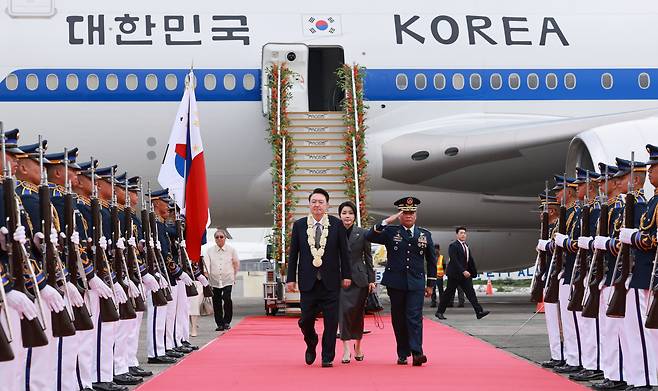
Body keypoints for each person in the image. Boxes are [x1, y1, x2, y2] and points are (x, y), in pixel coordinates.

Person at [366, 196, 436, 366]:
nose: (408, 216)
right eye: (405, 212)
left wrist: (430, 285)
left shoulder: (425, 235)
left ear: (416, 215)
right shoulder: (391, 232)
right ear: (400, 214)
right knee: (399, 319)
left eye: (412, 213)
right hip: (396, 282)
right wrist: (387, 221)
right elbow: (370, 236)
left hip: (416, 283)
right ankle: (402, 353)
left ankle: (417, 352)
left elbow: (431, 261)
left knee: (414, 317)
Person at [286, 188, 351, 368]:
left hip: (331, 282)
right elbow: (294, 255)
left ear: (327, 205)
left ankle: (327, 356)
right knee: (305, 320)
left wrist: (347, 275)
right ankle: (311, 341)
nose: (317, 205)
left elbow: (344, 253)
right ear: (309, 204)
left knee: (331, 322)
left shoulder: (337, 225)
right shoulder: (299, 225)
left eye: (321, 202)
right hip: (308, 283)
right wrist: (290, 278)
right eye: (314, 201)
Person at [337, 201, 375, 364]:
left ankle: (358, 346)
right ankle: (346, 349)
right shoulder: (333, 233)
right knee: (343, 314)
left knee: (358, 314)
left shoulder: (363, 233)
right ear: (340, 215)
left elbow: (368, 258)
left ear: (355, 216)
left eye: (350, 213)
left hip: (360, 280)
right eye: (344, 212)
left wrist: (371, 280)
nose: (347, 216)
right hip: (339, 279)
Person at [435, 226, 489, 320]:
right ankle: (439, 312)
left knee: (471, 293)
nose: (463, 235)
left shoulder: (466, 246)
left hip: (465, 275)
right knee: (448, 293)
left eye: (464, 233)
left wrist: (473, 272)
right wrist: (463, 271)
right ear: (457, 235)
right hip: (455, 275)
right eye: (461, 233)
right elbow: (455, 261)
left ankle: (479, 312)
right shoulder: (453, 246)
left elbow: (469, 260)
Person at [205, 228, 240, 331]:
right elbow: (207, 265)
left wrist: (234, 275)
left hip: (227, 279)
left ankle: (227, 321)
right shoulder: (210, 251)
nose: (219, 239)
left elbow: (236, 263)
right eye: (217, 237)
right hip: (214, 280)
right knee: (216, 302)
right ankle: (219, 323)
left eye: (221, 237)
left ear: (225, 238)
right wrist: (206, 276)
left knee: (227, 298)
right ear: (214, 239)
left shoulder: (231, 250)